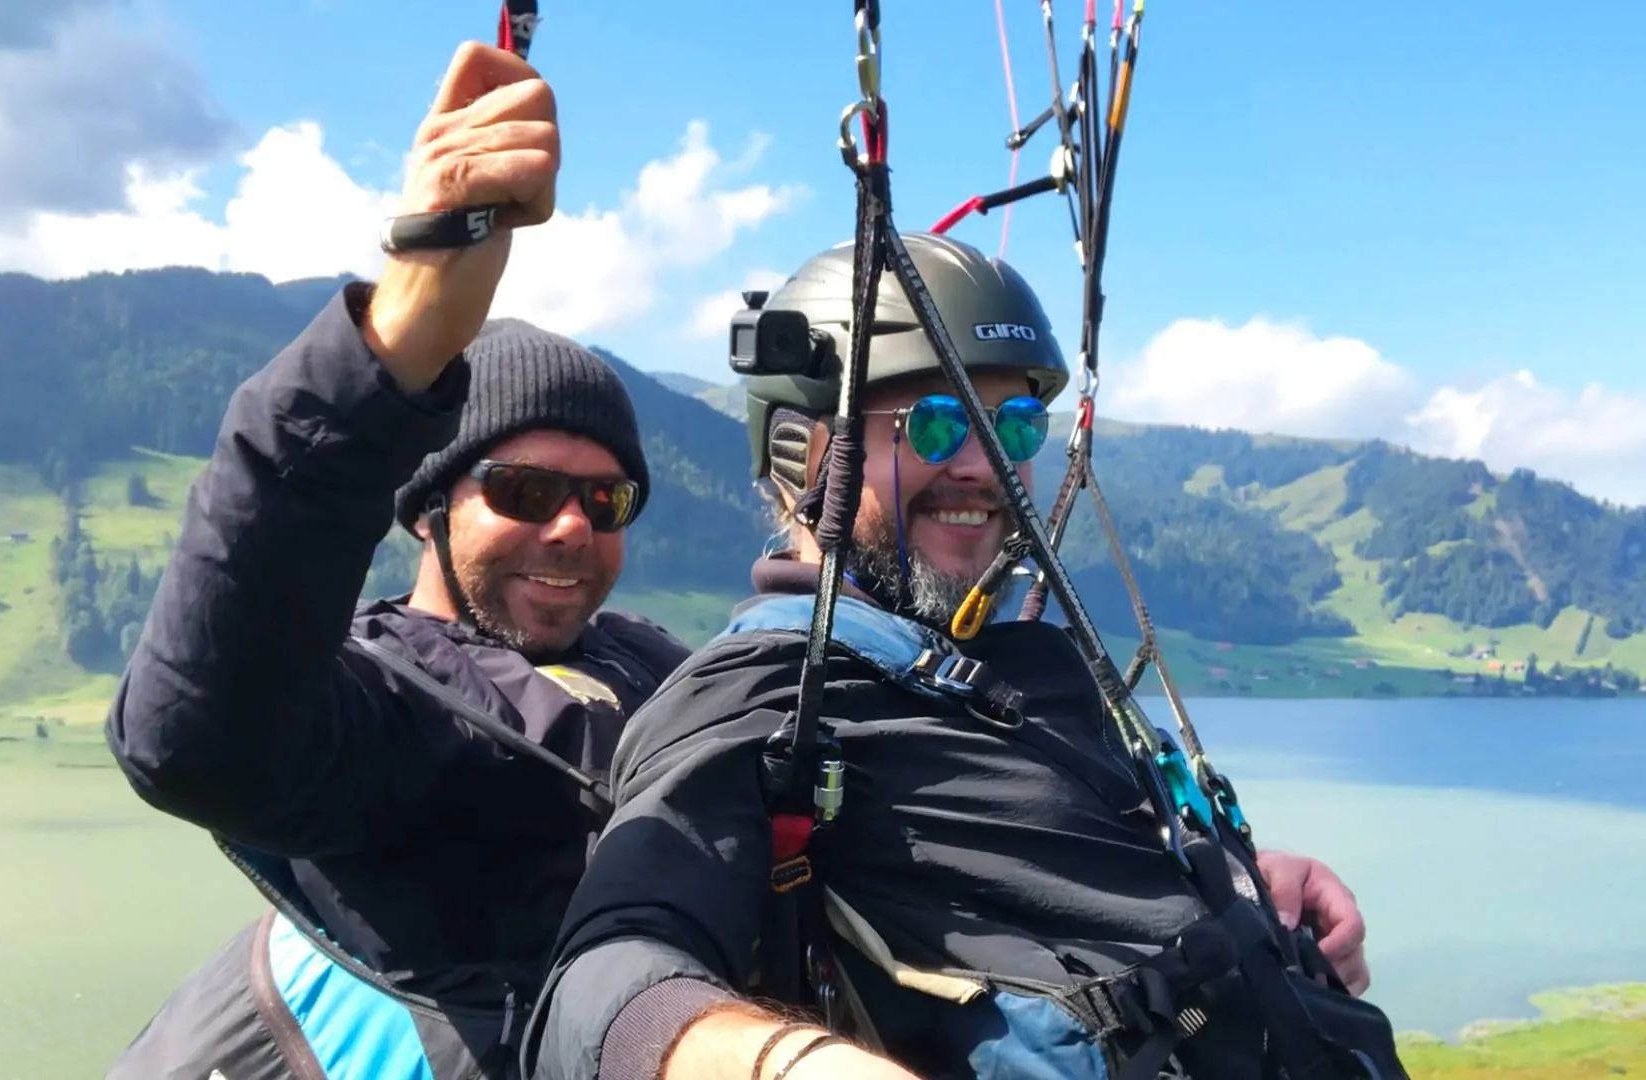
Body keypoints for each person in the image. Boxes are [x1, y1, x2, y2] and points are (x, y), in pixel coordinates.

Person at [522, 232, 1408, 1080]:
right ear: (804, 447)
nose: (985, 466)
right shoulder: (760, 694)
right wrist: (786, 1065)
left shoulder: (1017, 667)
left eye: (1016, 425)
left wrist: (1247, 893)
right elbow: (600, 990)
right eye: (937, 424)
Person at [101, 41, 692, 1080]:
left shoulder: (644, 657)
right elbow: (194, 736)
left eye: (605, 500)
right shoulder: (387, 693)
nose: (570, 530)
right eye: (521, 491)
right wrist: (401, 335)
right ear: (427, 508)